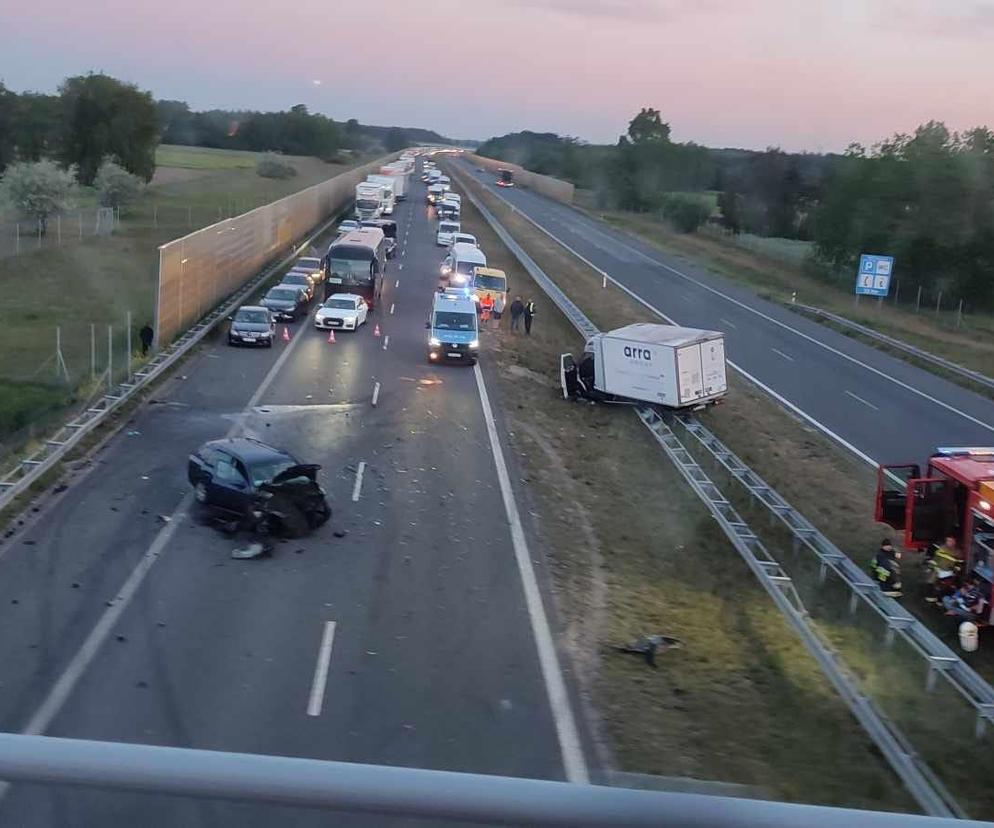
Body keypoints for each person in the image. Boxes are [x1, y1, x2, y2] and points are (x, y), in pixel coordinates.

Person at [926, 535, 964, 603]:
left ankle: (939, 600)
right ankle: (933, 597)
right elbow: (936, 558)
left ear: (954, 542)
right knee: (931, 583)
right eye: (947, 540)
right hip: (938, 569)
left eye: (950, 541)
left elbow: (959, 564)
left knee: (942, 586)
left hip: (948, 572)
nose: (948, 542)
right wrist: (930, 567)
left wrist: (955, 572)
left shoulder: (958, 552)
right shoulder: (942, 548)